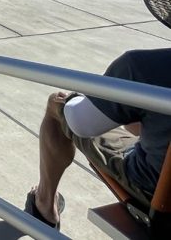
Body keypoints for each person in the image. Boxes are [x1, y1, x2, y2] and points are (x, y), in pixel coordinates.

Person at [24, 48, 171, 230]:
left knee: (58, 104)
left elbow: (81, 123)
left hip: (158, 192)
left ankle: (43, 205)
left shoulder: (143, 66)